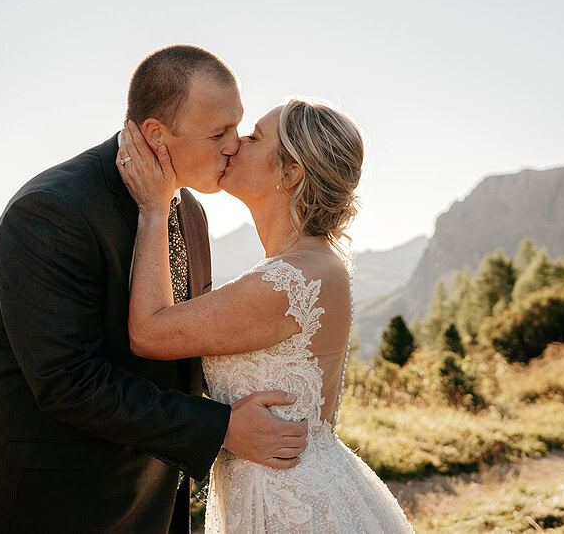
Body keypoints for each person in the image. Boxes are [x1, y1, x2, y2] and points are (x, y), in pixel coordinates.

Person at [0, 45, 308, 532]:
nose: (235, 144)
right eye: (218, 133)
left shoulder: (191, 212)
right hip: (49, 500)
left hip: (147, 497)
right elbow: (68, 382)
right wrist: (221, 428)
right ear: (156, 134)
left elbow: (179, 351)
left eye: (237, 126)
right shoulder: (50, 211)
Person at [116, 98, 416, 532]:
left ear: (290, 173)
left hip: (287, 507)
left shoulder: (290, 281)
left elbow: (149, 332)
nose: (236, 143)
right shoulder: (311, 265)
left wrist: (154, 209)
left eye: (255, 137)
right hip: (287, 489)